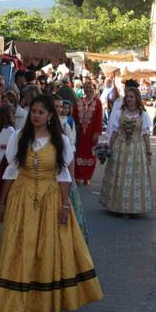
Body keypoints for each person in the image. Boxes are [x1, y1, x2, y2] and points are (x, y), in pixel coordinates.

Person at [0, 95, 103, 312]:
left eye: (41, 112)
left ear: (50, 115)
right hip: (21, 198)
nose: (36, 116)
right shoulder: (19, 138)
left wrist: (65, 205)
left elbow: (64, 176)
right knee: (19, 248)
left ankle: (42, 300)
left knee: (46, 249)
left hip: (50, 199)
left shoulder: (60, 140)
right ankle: (16, 306)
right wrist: (2, 203)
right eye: (34, 111)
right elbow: (11, 172)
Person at [100, 87, 153, 216]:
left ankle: (133, 208)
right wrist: (109, 147)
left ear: (137, 98)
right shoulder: (120, 111)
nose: (129, 99)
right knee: (119, 175)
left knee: (134, 177)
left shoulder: (142, 113)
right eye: (127, 97)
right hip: (121, 147)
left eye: (131, 97)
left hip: (137, 148)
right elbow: (115, 131)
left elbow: (145, 134)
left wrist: (149, 152)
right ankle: (118, 206)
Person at [53, 95, 87, 240]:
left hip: (61, 170)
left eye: (61, 106)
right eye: (56, 106)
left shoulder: (67, 123)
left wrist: (71, 174)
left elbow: (70, 149)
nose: (59, 109)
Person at [72, 81, 103, 186]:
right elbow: (74, 117)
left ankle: (87, 177)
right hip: (80, 134)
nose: (88, 89)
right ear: (83, 89)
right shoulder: (78, 102)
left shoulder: (97, 103)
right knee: (79, 153)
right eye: (86, 88)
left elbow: (99, 119)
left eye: (90, 88)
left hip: (92, 133)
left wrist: (97, 133)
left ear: (93, 89)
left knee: (90, 154)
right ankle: (78, 176)